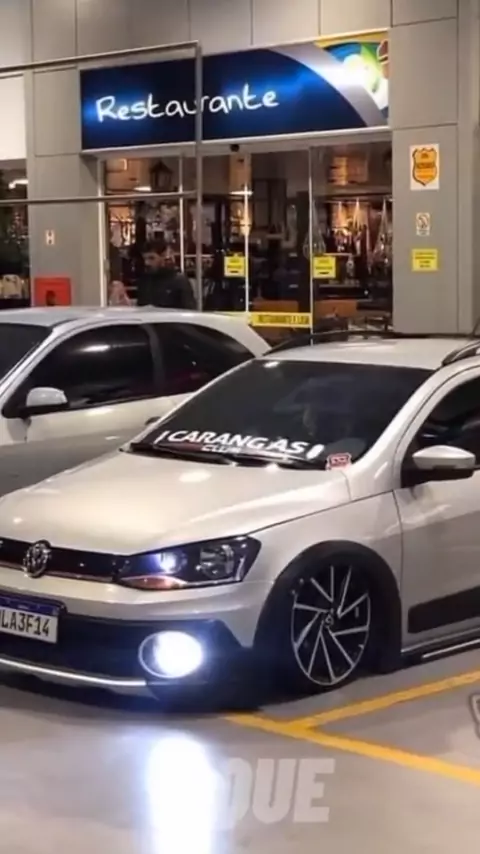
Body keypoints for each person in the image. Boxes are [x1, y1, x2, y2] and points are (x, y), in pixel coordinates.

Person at [137, 236, 196, 309]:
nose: (147, 263)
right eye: (145, 259)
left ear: (163, 256)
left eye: (151, 258)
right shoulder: (144, 280)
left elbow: (189, 309)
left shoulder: (179, 281)